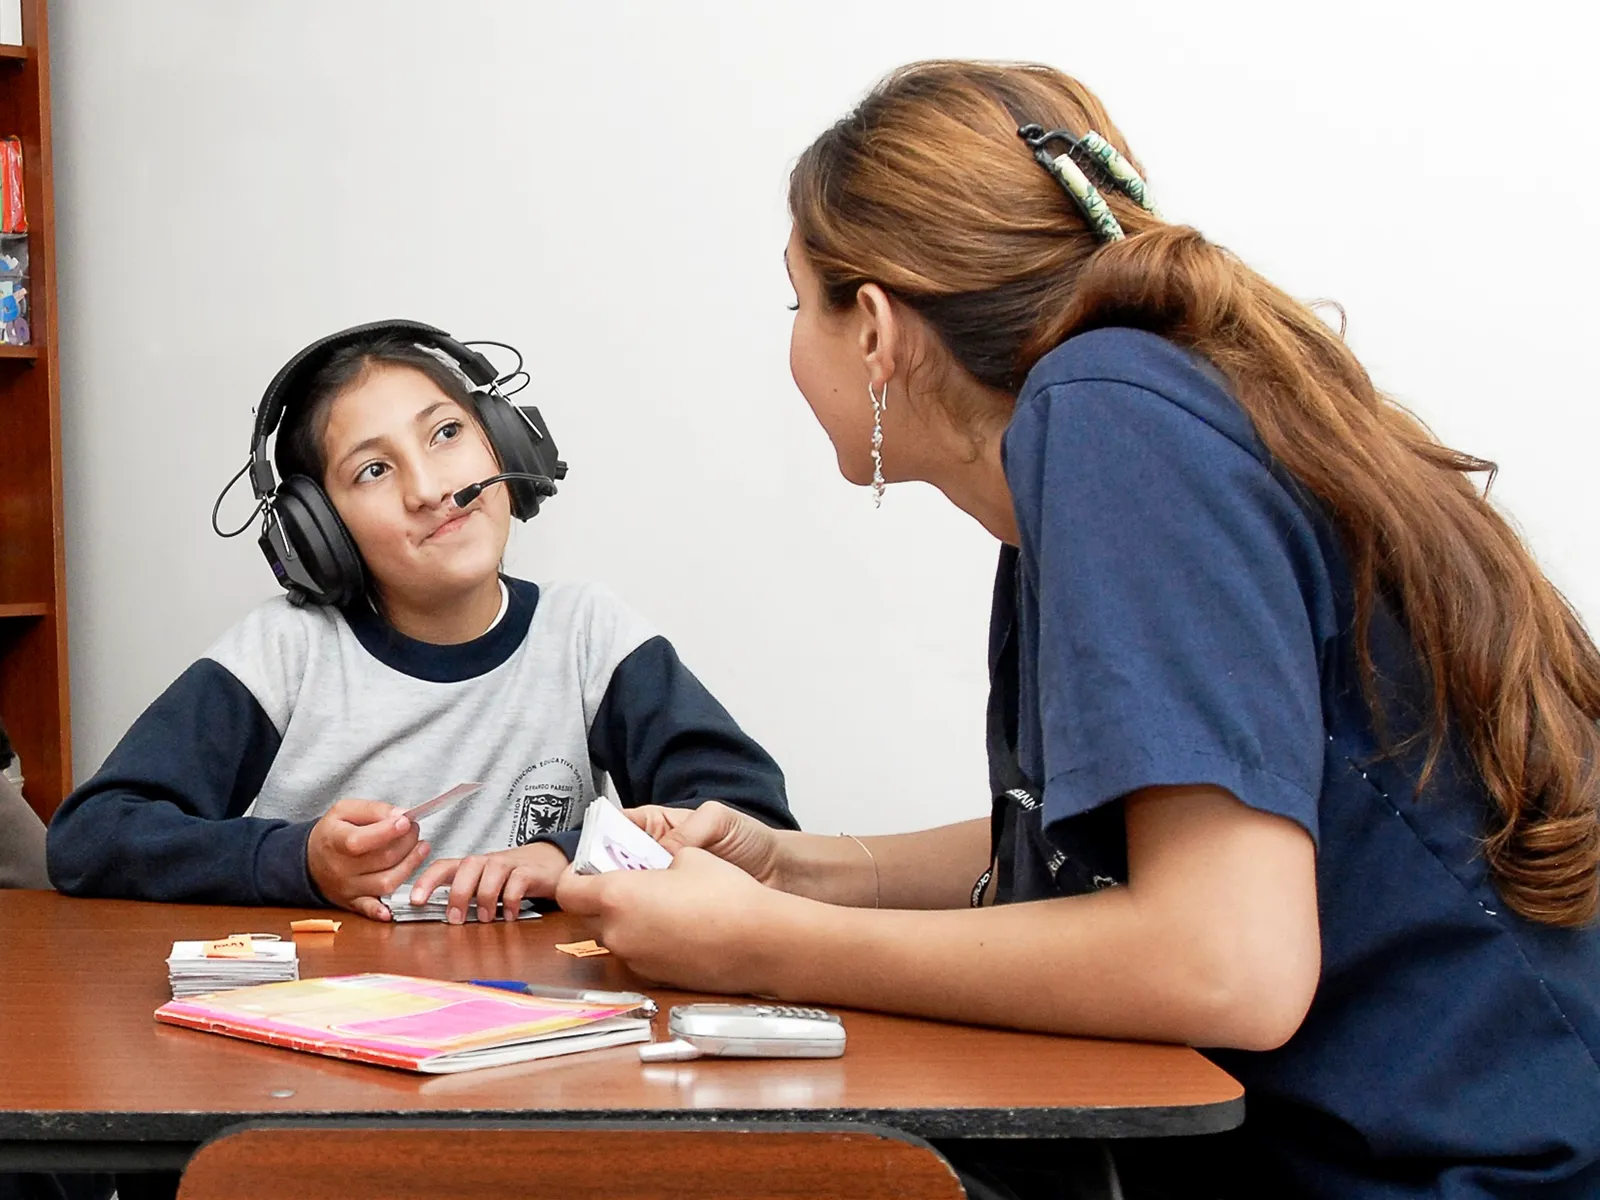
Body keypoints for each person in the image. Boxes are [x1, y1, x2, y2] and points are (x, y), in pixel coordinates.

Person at [555, 62, 1600, 1198]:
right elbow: (1151, 835)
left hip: (1472, 1170)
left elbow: (1228, 961)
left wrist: (754, 946)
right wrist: (804, 872)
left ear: (875, 328)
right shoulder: (1121, 418)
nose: (791, 341)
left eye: (796, 300)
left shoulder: (1105, 420)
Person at [48, 322, 795, 922]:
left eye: (445, 434)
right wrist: (299, 861)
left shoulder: (586, 636)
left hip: (540, 1031)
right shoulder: (287, 653)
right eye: (374, 470)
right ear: (319, 534)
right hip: (332, 1023)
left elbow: (746, 819)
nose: (432, 488)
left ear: (503, 441)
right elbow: (92, 837)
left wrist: (563, 856)